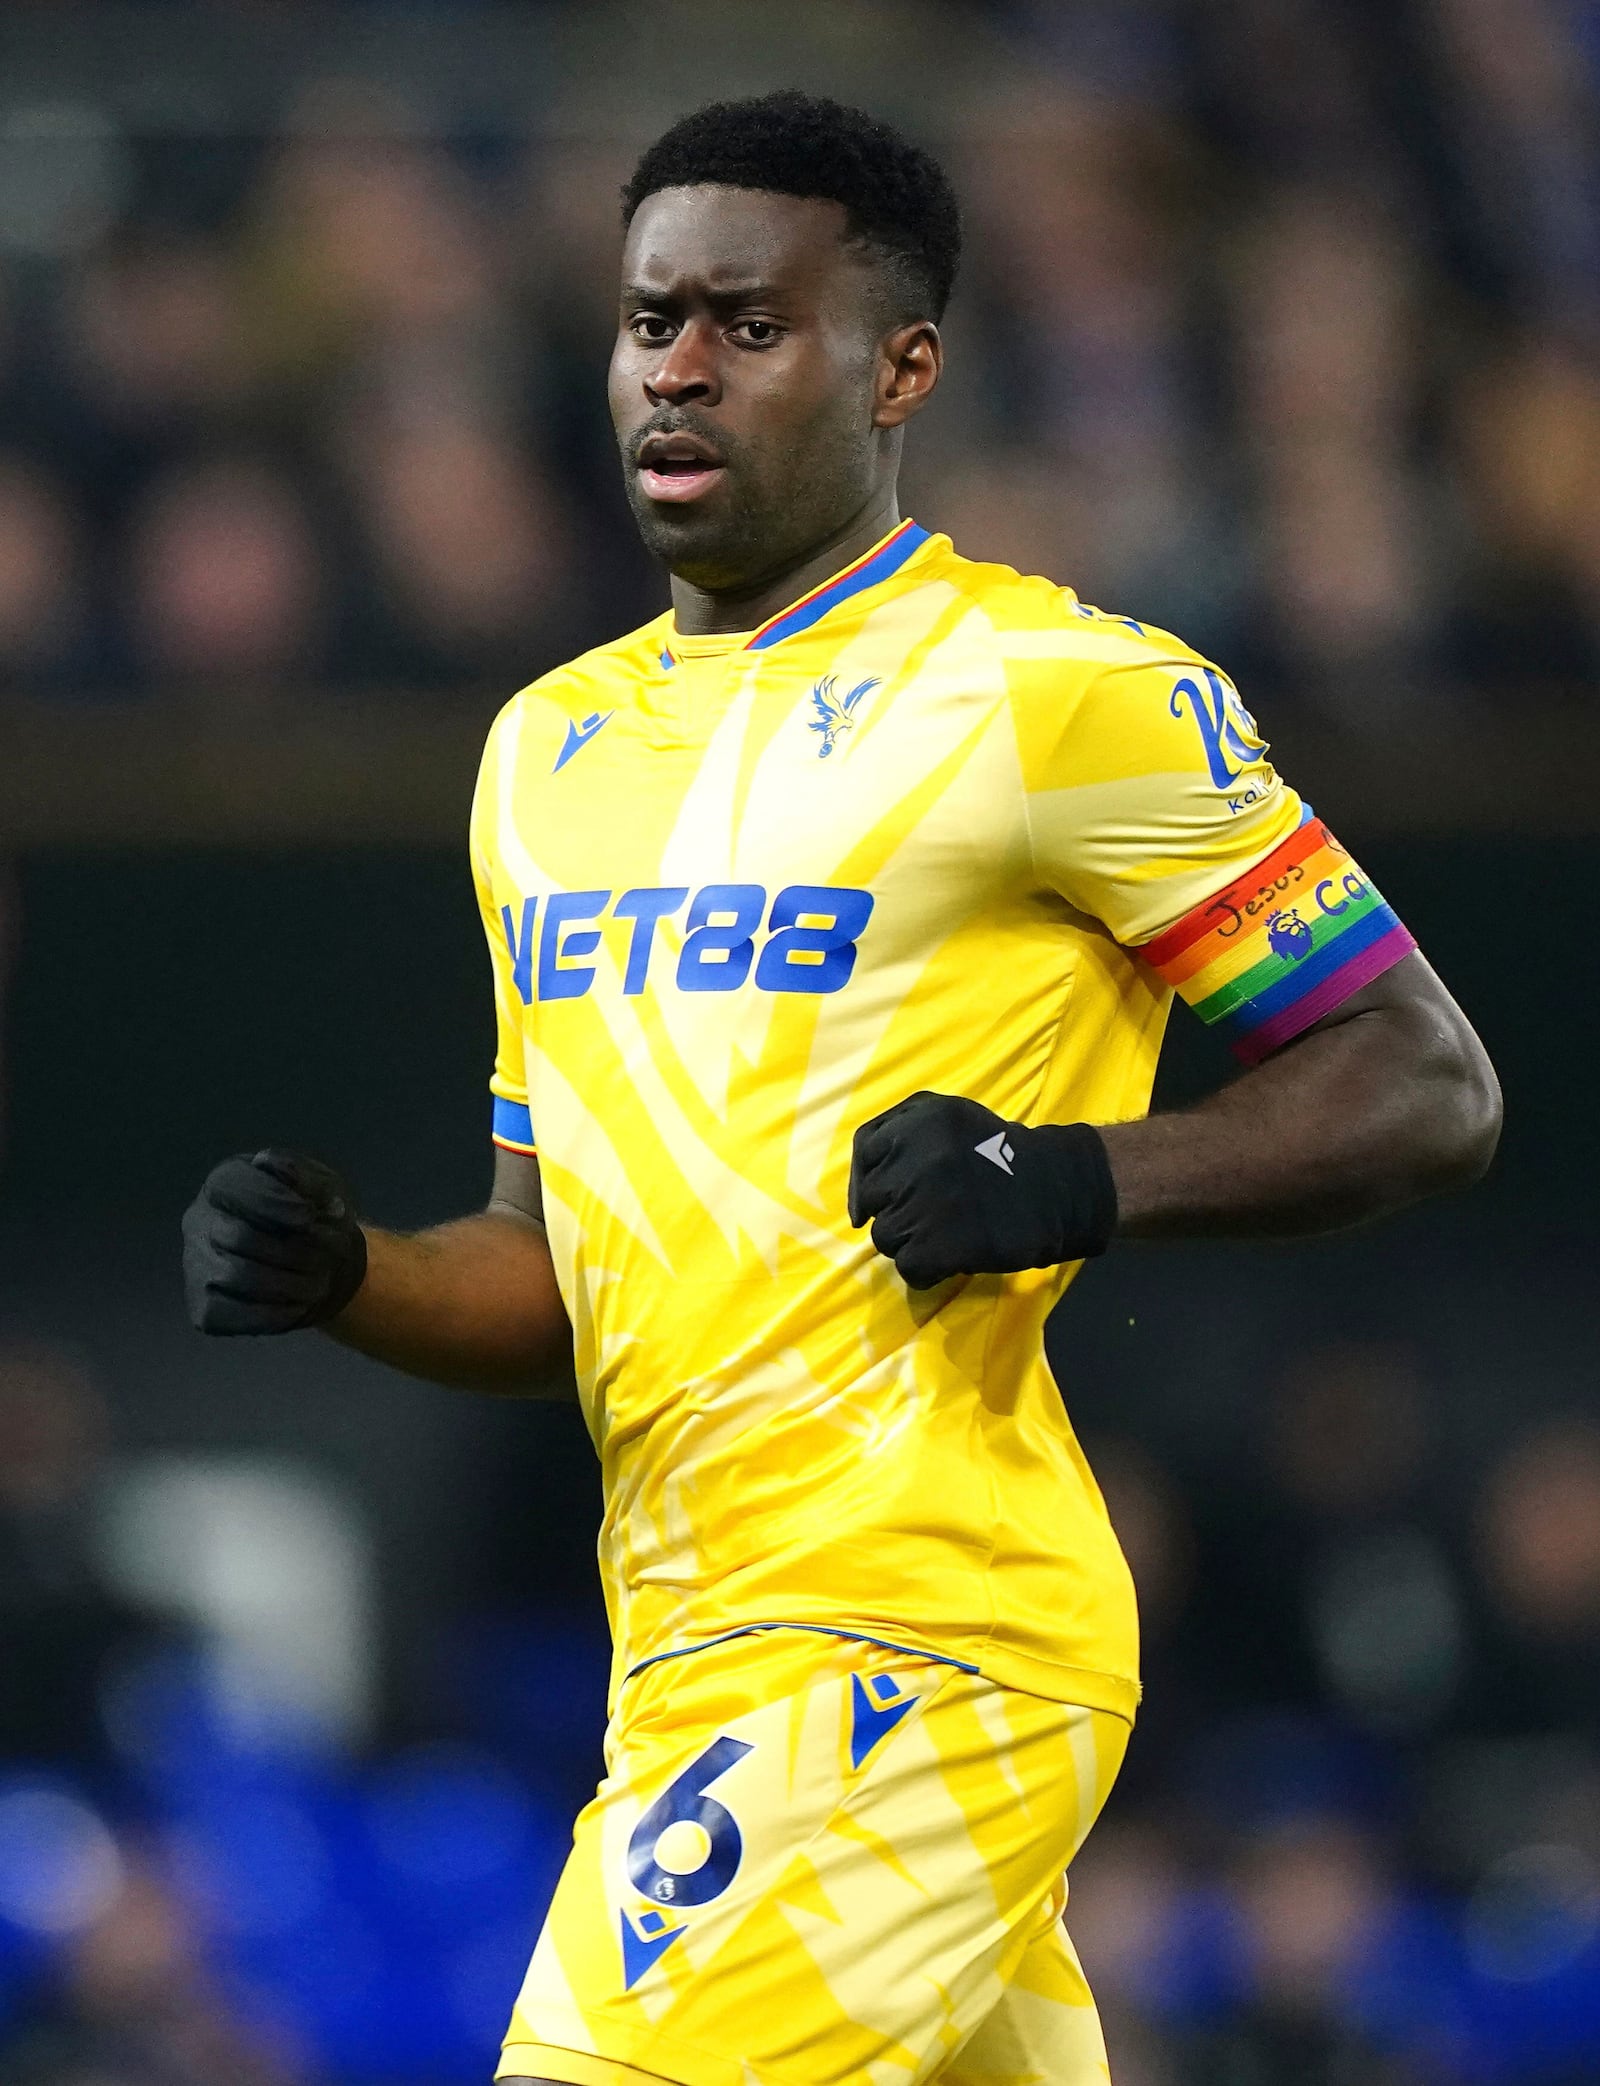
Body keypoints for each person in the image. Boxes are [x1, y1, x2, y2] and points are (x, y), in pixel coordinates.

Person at [180, 92, 1501, 2086]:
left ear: (901, 365)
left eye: (743, 322)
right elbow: (554, 1276)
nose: (675, 370)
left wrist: (1068, 1177)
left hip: (914, 1635)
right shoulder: (542, 754)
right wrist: (346, 1271)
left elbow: (1422, 1080)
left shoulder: (1056, 694)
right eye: (646, 322)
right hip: (689, 1661)